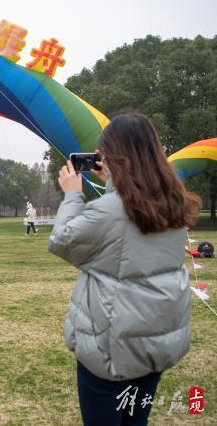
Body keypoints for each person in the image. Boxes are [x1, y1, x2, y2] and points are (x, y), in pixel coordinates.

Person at [48, 112, 200, 426]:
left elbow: (63, 240)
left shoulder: (111, 210)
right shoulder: (174, 202)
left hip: (112, 350)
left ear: (115, 156)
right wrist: (115, 182)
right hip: (154, 345)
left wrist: (73, 194)